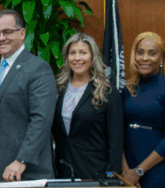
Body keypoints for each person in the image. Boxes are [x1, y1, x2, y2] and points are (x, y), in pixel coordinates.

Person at [0, 9, 56, 181]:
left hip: (25, 170)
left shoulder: (38, 68)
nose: (1, 38)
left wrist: (21, 160)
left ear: (22, 33)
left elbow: (41, 120)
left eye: (7, 32)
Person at [120, 32, 165, 188]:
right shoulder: (127, 89)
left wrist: (139, 171)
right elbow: (116, 132)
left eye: (152, 53)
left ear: (161, 58)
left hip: (158, 171)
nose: (144, 58)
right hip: (127, 171)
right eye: (140, 52)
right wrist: (127, 171)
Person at [51, 34, 123, 180]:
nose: (77, 58)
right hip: (62, 172)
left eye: (83, 52)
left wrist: (110, 175)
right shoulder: (58, 89)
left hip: (95, 173)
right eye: (72, 53)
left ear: (93, 56)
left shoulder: (106, 91)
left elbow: (116, 141)